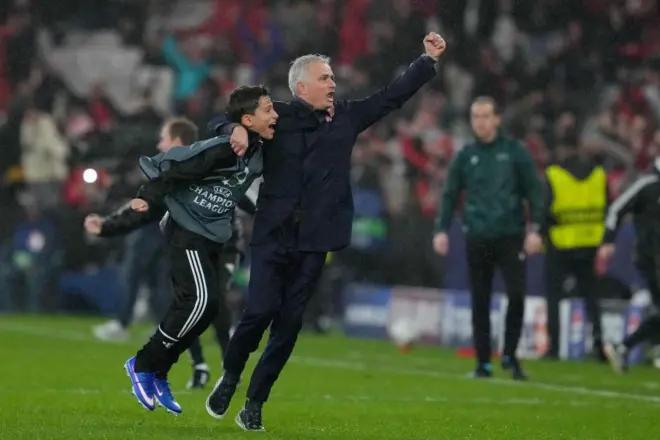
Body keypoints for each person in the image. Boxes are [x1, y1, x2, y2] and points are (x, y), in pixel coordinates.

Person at [205, 32, 446, 432]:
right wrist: (235, 130)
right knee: (259, 311)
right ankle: (230, 376)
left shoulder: (347, 117)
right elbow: (220, 119)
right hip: (273, 232)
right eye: (324, 78)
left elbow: (391, 97)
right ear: (301, 87)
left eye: (332, 77)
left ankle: (254, 403)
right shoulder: (276, 117)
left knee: (288, 325)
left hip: (316, 239)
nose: (333, 83)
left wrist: (426, 61)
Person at [91, 85, 277, 415]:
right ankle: (142, 364)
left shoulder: (257, 151)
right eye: (268, 109)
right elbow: (179, 171)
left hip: (212, 236)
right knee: (201, 300)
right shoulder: (224, 150)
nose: (275, 115)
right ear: (248, 120)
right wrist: (146, 197)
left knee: (207, 308)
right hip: (186, 230)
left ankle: (159, 370)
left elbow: (243, 191)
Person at [85, 117, 231, 389]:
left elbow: (145, 209)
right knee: (192, 301)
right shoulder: (200, 166)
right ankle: (206, 365)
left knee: (194, 302)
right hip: (191, 244)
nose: (159, 144)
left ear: (176, 141)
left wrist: (106, 226)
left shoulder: (180, 170)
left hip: (187, 244)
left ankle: (202, 364)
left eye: (163, 138)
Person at [432, 96, 543, 380]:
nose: (480, 122)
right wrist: (441, 229)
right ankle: (483, 362)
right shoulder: (466, 155)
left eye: (485, 116)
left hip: (511, 235)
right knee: (480, 300)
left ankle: (510, 355)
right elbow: (449, 194)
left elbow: (534, 191)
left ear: (497, 119)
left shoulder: (515, 152)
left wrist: (537, 229)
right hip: (477, 236)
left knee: (516, 295)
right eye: (475, 117)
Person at [543, 142, 608, 360]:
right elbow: (607, 208)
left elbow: (544, 210)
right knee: (591, 296)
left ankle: (554, 348)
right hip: (590, 243)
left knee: (554, 296)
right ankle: (599, 345)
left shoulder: (554, 175)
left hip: (561, 243)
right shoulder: (598, 175)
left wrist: (541, 234)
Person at [599, 157, 660, 373]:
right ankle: (631, 347)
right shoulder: (647, 184)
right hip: (651, 257)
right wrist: (608, 240)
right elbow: (617, 208)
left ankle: (627, 348)